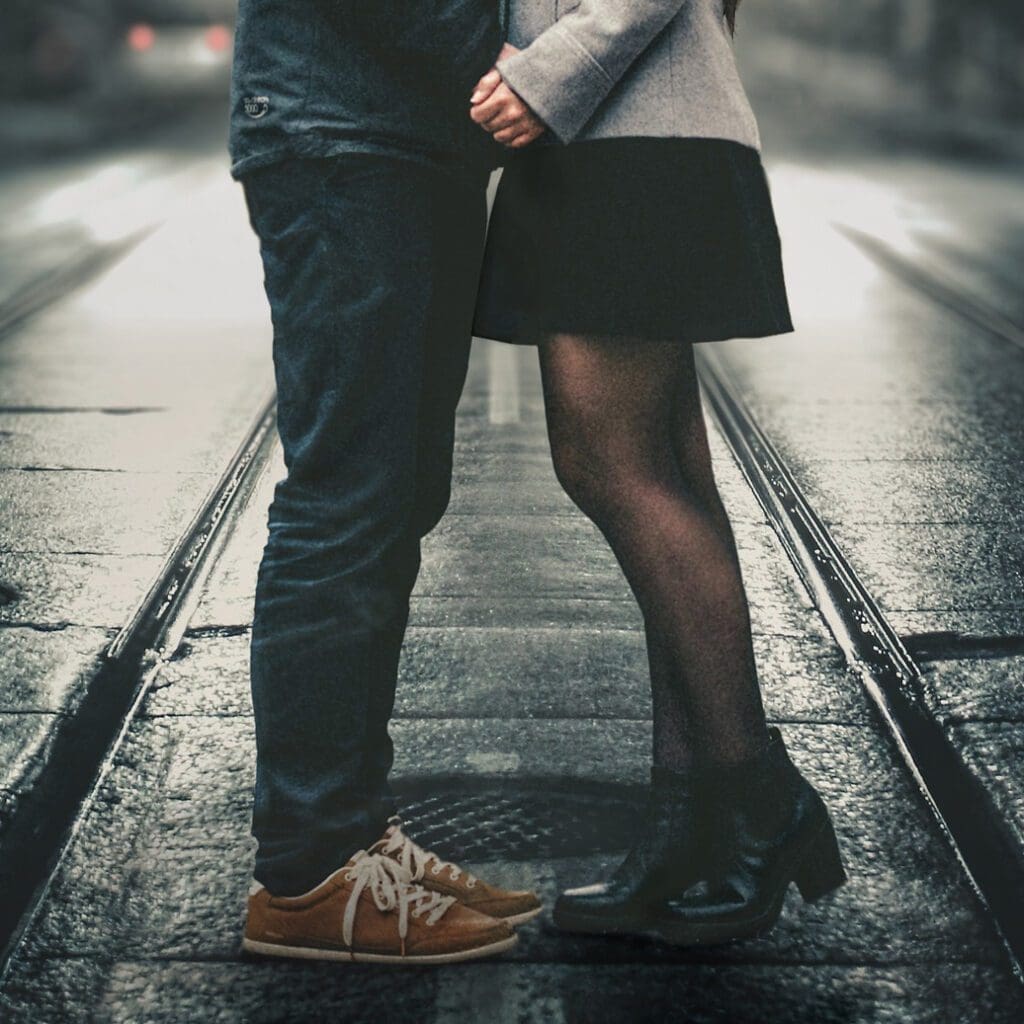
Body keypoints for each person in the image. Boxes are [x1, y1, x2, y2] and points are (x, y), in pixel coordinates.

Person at [470, 0, 848, 945]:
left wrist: (545, 74)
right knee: (669, 476)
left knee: (609, 466)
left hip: (624, 135)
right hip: (625, 131)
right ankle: (689, 827)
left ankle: (760, 793)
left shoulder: (583, 92)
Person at [229, 1, 540, 964]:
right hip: (346, 139)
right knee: (347, 498)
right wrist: (511, 59)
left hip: (404, 139)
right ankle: (309, 870)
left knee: (396, 495)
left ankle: (352, 836)